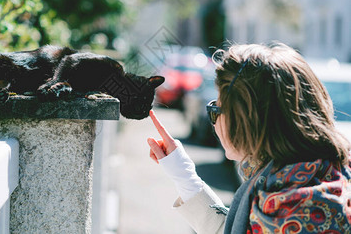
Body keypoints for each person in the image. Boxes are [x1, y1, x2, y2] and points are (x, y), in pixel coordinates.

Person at [147, 43, 351, 234]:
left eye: (217, 109)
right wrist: (185, 177)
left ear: (246, 119)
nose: (214, 121)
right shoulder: (310, 176)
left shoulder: (294, 208)